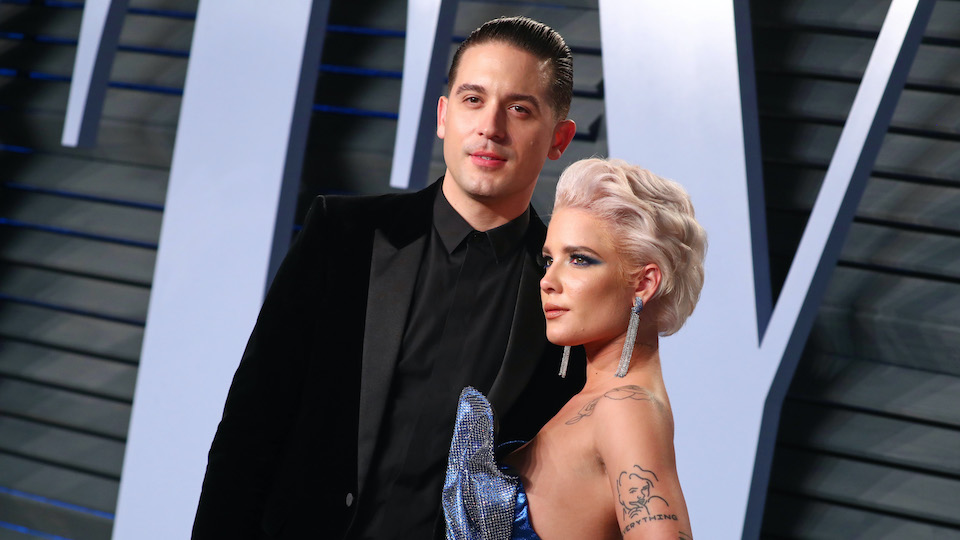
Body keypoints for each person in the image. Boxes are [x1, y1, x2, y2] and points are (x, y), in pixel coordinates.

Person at [191, 16, 584, 540]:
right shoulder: (343, 235)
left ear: (559, 138)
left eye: (519, 109)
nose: (490, 126)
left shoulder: (569, 289)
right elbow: (251, 427)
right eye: (472, 99)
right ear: (443, 115)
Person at [443, 158, 707, 539]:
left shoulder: (625, 408)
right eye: (549, 260)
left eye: (579, 259)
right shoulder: (599, 398)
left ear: (644, 284)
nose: (548, 280)